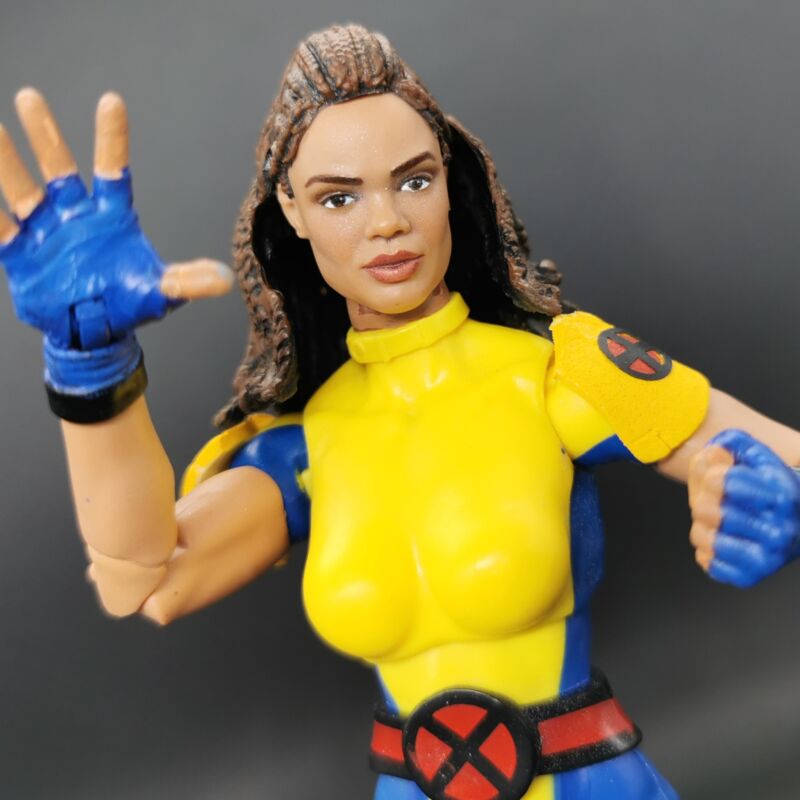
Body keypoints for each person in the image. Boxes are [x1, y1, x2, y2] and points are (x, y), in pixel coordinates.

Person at [1, 23, 798, 800]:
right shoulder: (303, 444)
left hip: (585, 781)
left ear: (451, 181)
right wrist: (88, 364)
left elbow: (770, 454)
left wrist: (760, 493)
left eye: (413, 181)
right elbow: (147, 578)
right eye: (339, 197)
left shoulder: (558, 371)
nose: (386, 222)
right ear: (292, 211)